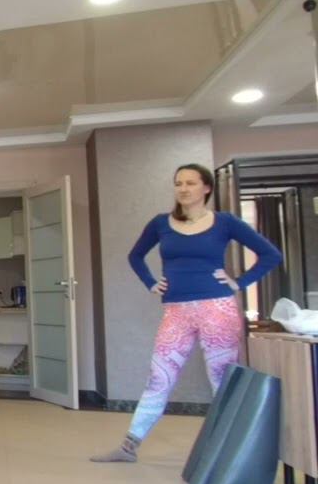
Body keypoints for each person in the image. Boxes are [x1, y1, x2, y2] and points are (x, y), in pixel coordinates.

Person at [91, 163, 282, 463]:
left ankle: (230, 453)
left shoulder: (225, 222)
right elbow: (135, 256)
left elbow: (271, 254)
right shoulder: (161, 223)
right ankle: (129, 447)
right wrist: (151, 283)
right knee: (159, 377)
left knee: (221, 379)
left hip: (217, 308)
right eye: (178, 183)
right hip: (176, 311)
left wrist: (239, 282)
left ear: (206, 188)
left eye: (190, 183)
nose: (183, 188)